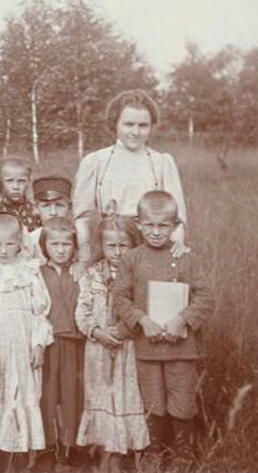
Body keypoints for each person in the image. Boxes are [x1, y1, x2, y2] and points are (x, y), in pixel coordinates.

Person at [112, 191, 213, 460]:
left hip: (182, 349)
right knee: (153, 402)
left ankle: (183, 454)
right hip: (147, 348)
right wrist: (142, 320)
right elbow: (120, 298)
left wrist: (182, 318)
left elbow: (205, 297)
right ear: (139, 223)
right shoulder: (131, 259)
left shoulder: (187, 258)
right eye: (149, 225)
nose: (156, 232)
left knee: (182, 402)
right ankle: (154, 451)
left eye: (163, 226)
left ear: (175, 226)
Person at [73, 89, 187, 261]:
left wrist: (176, 247)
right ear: (115, 124)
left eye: (143, 126)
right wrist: (84, 252)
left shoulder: (161, 162)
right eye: (128, 124)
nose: (135, 132)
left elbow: (177, 217)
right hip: (111, 247)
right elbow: (83, 216)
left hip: (152, 246)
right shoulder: (96, 161)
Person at [75, 215, 149, 473]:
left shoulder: (140, 274)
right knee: (101, 396)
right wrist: (96, 332)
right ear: (102, 246)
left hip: (128, 348)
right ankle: (105, 453)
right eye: (111, 246)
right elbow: (81, 311)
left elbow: (143, 308)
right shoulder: (91, 275)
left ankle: (128, 453)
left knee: (127, 396)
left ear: (134, 245)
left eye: (123, 245)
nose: (117, 252)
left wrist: (125, 330)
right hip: (97, 349)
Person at [0, 212, 53, 471]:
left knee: (22, 391)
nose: (3, 250)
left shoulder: (28, 270)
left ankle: (22, 455)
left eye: (9, 244)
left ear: (20, 242)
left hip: (22, 341)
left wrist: (38, 344)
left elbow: (40, 311)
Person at [38, 217, 85, 468]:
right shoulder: (36, 272)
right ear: (44, 246)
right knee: (47, 393)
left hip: (74, 341)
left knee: (72, 394)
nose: (60, 249)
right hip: (48, 342)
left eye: (66, 244)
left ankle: (70, 444)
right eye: (54, 244)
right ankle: (47, 443)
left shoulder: (80, 272)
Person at [28, 176, 73, 264]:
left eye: (60, 205)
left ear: (70, 207)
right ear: (35, 208)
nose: (53, 212)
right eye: (46, 206)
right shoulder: (30, 240)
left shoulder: (78, 237)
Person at [0, 156, 40, 232]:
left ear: (29, 182)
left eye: (21, 181)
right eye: (9, 181)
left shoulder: (35, 210)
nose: (16, 187)